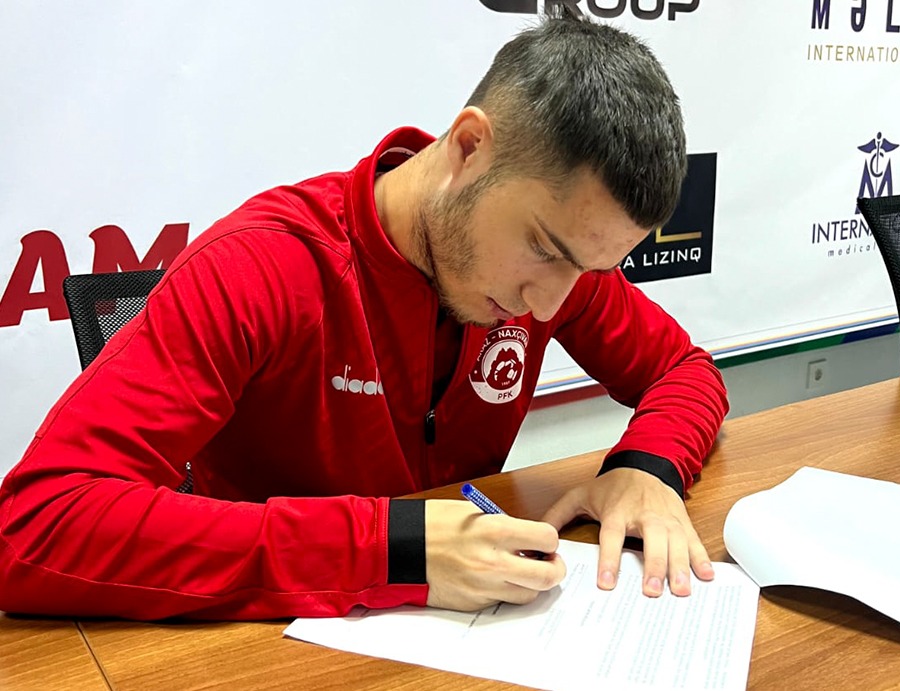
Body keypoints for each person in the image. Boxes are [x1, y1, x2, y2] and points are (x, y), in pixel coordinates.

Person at [0, 13, 728, 620]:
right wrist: (392, 547)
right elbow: (33, 525)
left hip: (462, 631)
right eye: (542, 248)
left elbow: (684, 370)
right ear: (470, 148)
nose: (549, 303)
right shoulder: (261, 267)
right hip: (260, 639)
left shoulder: (560, 274)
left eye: (588, 270)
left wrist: (646, 468)